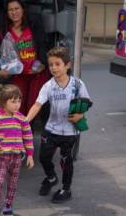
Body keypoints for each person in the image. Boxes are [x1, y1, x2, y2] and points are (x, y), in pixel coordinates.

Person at [26, 47, 91, 203]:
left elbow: (87, 102)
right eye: (50, 65)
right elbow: (37, 105)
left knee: (65, 161)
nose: (53, 68)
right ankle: (51, 177)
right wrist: (24, 121)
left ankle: (66, 189)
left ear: (67, 65)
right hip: (51, 129)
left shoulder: (77, 84)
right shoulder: (48, 86)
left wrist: (80, 115)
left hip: (70, 132)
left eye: (57, 64)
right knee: (43, 157)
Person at [0, 0, 51, 117]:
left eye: (17, 8)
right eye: (10, 10)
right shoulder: (3, 32)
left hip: (36, 75)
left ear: (23, 9)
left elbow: (43, 46)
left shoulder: (33, 26)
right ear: (7, 13)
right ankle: (18, 134)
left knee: (33, 108)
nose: (14, 12)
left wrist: (43, 64)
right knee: (17, 108)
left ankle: (29, 134)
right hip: (17, 77)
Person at [0, 84, 35, 216]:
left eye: (19, 101)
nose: (17, 105)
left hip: (16, 156)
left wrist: (30, 155)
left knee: (13, 183)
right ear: (4, 102)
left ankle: (8, 206)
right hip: (1, 156)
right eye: (13, 101)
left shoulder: (22, 118)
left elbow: (28, 136)